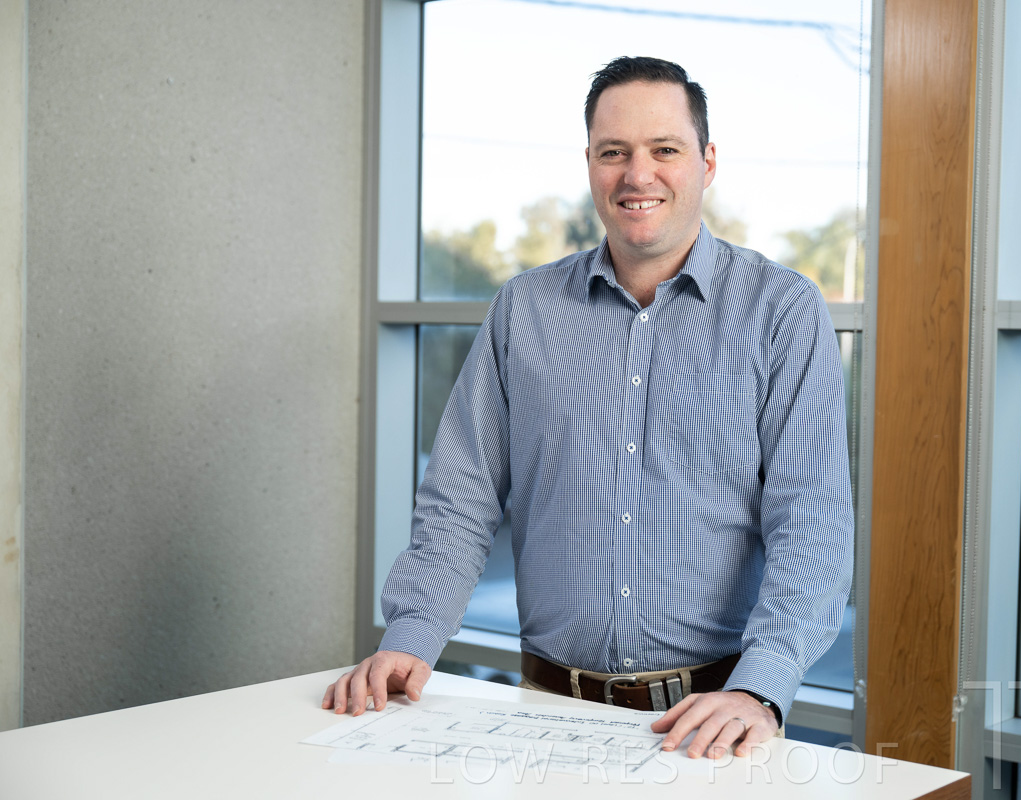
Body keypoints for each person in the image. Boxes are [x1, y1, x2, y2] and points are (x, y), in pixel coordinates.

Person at [323, 56, 854, 761]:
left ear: (707, 162)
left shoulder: (781, 310)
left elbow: (810, 519)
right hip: (543, 717)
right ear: (590, 165)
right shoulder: (523, 310)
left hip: (713, 725)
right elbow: (461, 495)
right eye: (614, 153)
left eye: (664, 150)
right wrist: (411, 637)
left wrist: (761, 687)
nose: (638, 174)